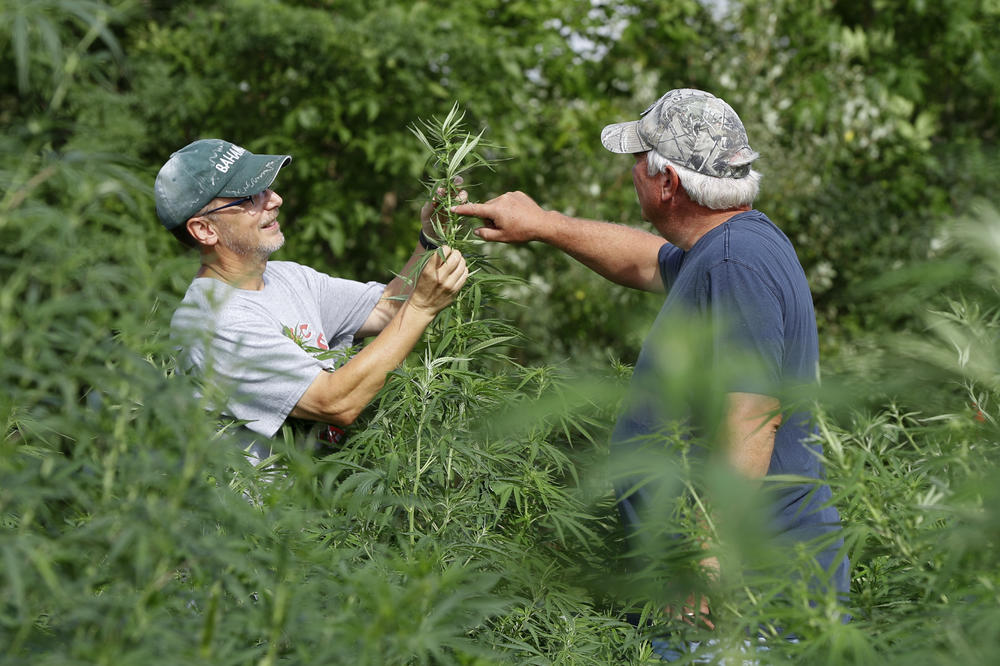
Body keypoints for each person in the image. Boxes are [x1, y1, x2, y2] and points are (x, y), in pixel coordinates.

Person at [454, 89, 849, 635]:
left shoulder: (734, 264)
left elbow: (752, 420)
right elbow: (645, 261)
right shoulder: (728, 246)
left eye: (639, 161)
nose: (632, 172)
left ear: (668, 184)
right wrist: (542, 224)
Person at [155, 138, 468, 458]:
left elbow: (387, 308)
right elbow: (335, 402)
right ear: (205, 230)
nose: (275, 199)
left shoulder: (287, 276)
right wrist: (421, 308)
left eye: (268, 187)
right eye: (251, 196)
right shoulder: (214, 323)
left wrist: (431, 237)